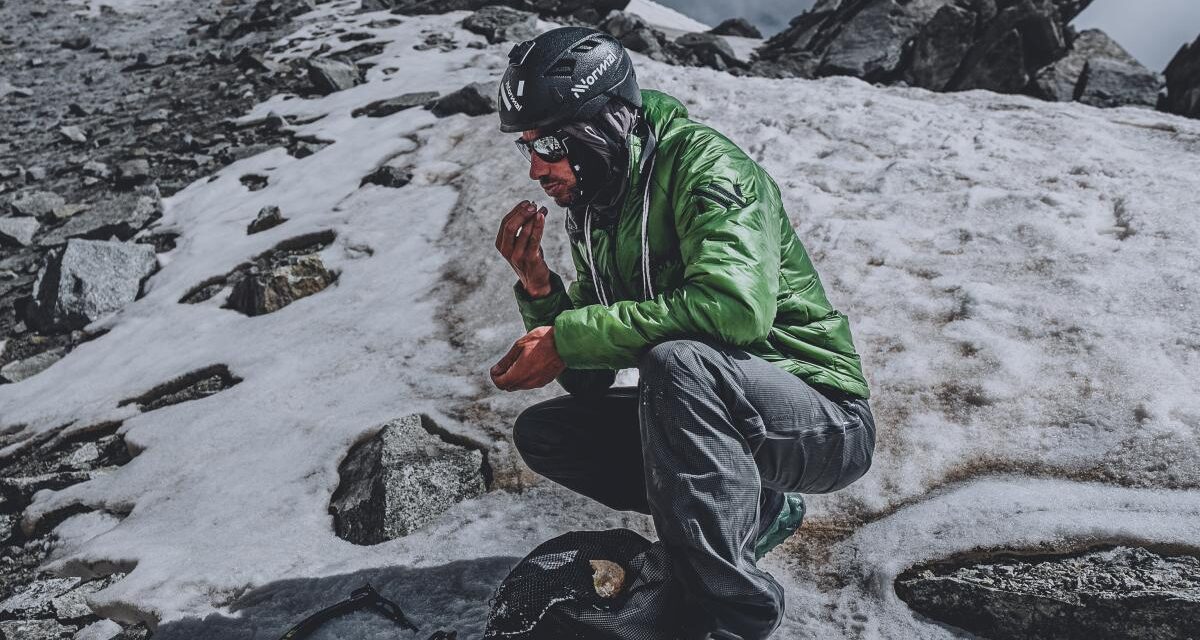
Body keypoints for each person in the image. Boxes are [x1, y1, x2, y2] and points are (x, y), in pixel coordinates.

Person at [489, 26, 876, 640]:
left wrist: (566, 337)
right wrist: (540, 291)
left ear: (606, 124)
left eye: (553, 143)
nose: (539, 167)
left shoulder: (707, 164)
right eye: (529, 148)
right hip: (715, 411)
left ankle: (732, 615)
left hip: (823, 422)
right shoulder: (595, 210)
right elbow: (588, 380)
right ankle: (754, 511)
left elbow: (735, 309)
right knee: (550, 433)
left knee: (678, 362)